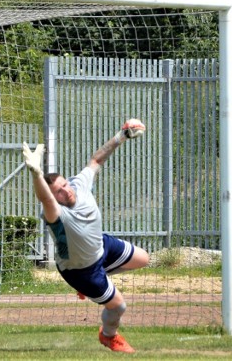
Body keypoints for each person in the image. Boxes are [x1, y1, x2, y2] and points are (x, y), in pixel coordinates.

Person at [22, 119, 150, 353]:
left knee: (144, 258)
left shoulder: (77, 184)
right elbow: (45, 198)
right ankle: (109, 335)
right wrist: (36, 173)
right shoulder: (55, 213)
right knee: (119, 307)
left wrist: (121, 136)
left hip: (101, 246)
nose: (65, 190)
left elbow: (96, 160)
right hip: (81, 271)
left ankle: (98, 286)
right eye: (59, 191)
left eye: (64, 184)